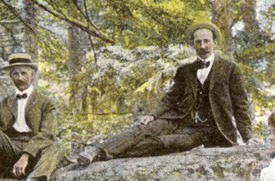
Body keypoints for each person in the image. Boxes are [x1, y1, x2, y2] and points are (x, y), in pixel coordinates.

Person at [72, 21, 252, 167]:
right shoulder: (184, 70)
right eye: (198, 42)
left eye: (206, 41)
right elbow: (171, 98)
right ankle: (95, 150)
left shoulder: (230, 69)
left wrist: (247, 137)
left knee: (164, 143)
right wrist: (153, 115)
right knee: (143, 129)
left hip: (206, 130)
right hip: (180, 119)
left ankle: (105, 153)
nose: (202, 46)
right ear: (193, 44)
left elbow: (240, 104)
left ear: (214, 43)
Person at [0, 52, 66, 181]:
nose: (20, 78)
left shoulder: (46, 102)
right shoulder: (2, 103)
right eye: (15, 74)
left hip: (35, 154)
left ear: (32, 75)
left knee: (58, 145)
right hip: (10, 150)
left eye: (24, 73)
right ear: (11, 76)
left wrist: (25, 156)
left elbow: (47, 134)